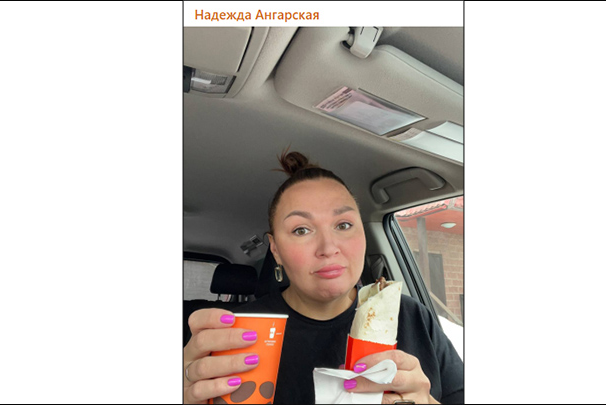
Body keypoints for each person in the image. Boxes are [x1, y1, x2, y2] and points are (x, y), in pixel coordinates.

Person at [183, 150, 464, 404]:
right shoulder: (233, 336)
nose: (328, 248)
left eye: (343, 225)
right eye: (301, 230)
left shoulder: (412, 316)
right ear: (276, 250)